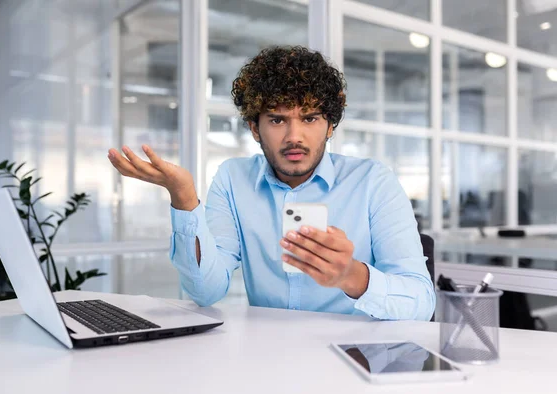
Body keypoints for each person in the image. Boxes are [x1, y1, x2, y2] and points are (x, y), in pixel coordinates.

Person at [108, 46, 435, 320]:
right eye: (277, 119)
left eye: (310, 119)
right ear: (254, 128)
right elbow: (206, 291)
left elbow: (421, 302)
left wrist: (351, 275)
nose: (295, 137)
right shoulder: (233, 179)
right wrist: (184, 199)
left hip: (356, 360)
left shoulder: (373, 182)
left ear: (330, 126)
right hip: (265, 360)